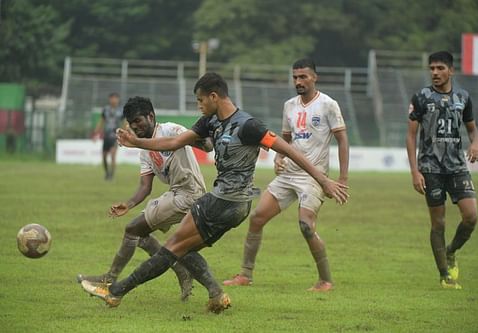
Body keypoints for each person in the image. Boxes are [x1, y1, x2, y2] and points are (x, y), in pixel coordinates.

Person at [81, 72, 349, 313]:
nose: (199, 106)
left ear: (214, 96)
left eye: (200, 100)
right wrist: (137, 141)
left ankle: (115, 291)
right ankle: (217, 295)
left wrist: (323, 180)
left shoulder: (249, 125)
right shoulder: (210, 122)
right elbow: (175, 142)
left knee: (172, 248)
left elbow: (289, 150)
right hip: (235, 206)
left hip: (224, 201)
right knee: (182, 249)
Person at [223, 58, 349, 292]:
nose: (298, 81)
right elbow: (286, 141)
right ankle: (245, 275)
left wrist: (342, 179)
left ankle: (325, 280)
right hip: (288, 174)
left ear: (315, 77)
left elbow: (342, 140)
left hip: (314, 177)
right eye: (295, 77)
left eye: (303, 77)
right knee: (257, 218)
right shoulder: (289, 105)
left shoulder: (328, 105)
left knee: (305, 225)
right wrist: (278, 159)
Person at [79, 96, 213, 301]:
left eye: (138, 121)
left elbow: (205, 145)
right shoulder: (144, 151)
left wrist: (205, 140)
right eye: (132, 124)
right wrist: (129, 203)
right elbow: (145, 187)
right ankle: (184, 272)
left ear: (151, 116)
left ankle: (109, 280)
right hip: (177, 194)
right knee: (144, 236)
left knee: (133, 230)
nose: (135, 127)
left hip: (190, 193)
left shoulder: (171, 130)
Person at [406, 51, 478, 289]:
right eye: (432, 69)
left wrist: (476, 143)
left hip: (457, 167)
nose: (435, 73)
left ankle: (451, 250)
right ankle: (444, 275)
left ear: (451, 70)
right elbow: (411, 135)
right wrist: (415, 171)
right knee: (438, 224)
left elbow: (471, 129)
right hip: (431, 169)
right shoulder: (421, 97)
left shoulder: (463, 97)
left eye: (440, 68)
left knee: (471, 217)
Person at [93, 92, 124, 180]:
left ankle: (111, 175)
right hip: (106, 136)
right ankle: (107, 173)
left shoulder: (121, 110)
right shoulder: (105, 109)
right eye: (112, 98)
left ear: (118, 99)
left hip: (115, 136)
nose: (114, 100)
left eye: (115, 98)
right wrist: (96, 132)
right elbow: (101, 121)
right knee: (104, 156)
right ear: (109, 99)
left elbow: (124, 123)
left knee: (113, 155)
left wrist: (123, 133)